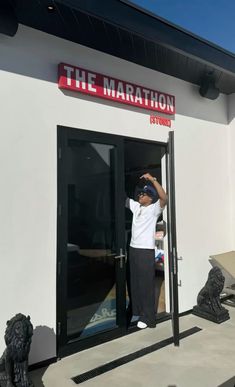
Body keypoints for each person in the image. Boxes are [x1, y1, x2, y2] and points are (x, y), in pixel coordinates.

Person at [126, 173, 167, 329]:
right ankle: (138, 311)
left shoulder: (154, 209)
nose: (140, 195)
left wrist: (152, 180)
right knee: (134, 282)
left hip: (145, 250)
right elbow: (123, 197)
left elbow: (164, 198)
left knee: (146, 284)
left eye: (144, 194)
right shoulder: (137, 207)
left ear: (150, 197)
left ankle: (148, 317)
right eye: (140, 193)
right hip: (133, 248)